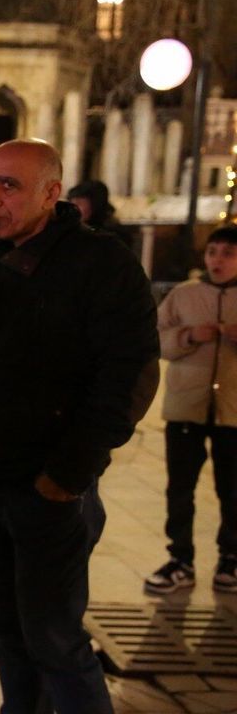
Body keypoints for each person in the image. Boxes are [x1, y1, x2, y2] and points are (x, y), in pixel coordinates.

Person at [0, 140, 159, 713]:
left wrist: (69, 472)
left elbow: (130, 375)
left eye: (9, 185)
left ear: (52, 194)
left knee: (54, 638)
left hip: (50, 483)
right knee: (4, 625)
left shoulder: (99, 262)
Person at [143, 226, 237, 595]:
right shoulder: (184, 295)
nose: (217, 260)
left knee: (232, 488)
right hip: (186, 407)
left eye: (228, 253)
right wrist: (189, 336)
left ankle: (231, 557)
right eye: (213, 251)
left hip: (233, 412)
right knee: (180, 488)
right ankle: (180, 558)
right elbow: (154, 339)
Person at [67, 180, 135, 250]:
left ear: (95, 205)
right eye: (71, 204)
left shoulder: (115, 237)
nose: (74, 209)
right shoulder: (71, 231)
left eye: (79, 203)